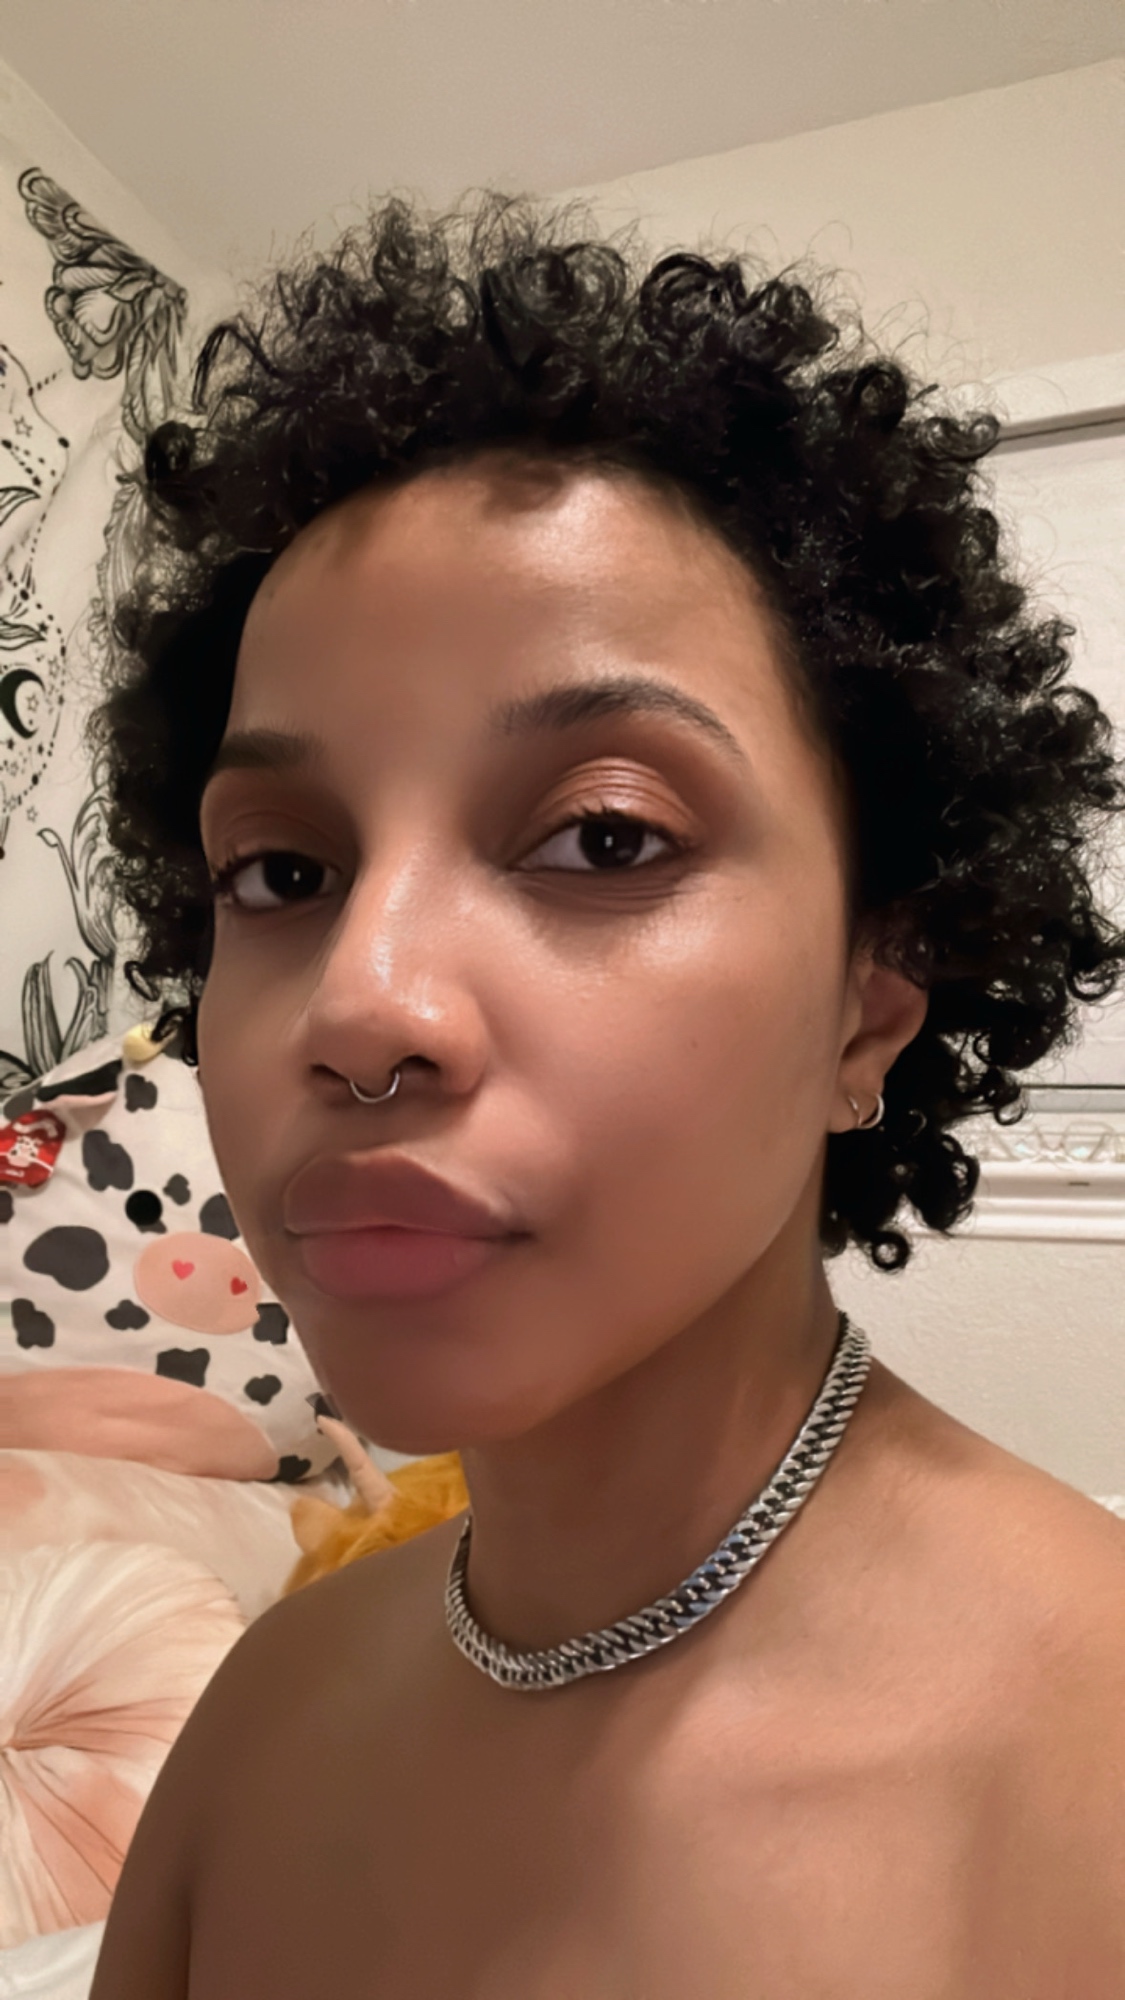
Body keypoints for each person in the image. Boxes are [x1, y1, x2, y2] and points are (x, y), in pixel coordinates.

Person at [88, 189, 1125, 1998]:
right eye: (281, 872)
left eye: (602, 837)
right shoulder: (261, 1727)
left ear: (868, 1011)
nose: (361, 1006)